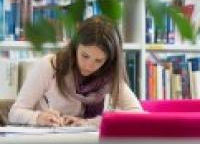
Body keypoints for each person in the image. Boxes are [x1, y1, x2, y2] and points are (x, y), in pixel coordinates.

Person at [8, 15, 143, 127]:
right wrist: (38, 118)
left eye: (99, 60)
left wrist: (89, 123)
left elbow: (137, 113)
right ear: (75, 47)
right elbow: (15, 113)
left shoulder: (108, 75)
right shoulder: (49, 66)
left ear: (108, 61)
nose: (89, 66)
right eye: (85, 56)